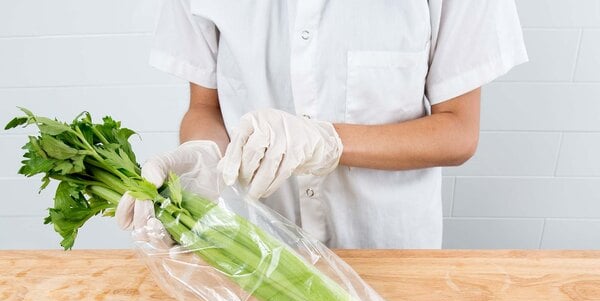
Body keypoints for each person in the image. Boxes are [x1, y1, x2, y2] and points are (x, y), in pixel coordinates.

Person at [117, 0, 527, 249]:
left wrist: (326, 142)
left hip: (390, 257)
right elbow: (204, 107)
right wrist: (203, 156)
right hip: (257, 252)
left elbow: (458, 132)